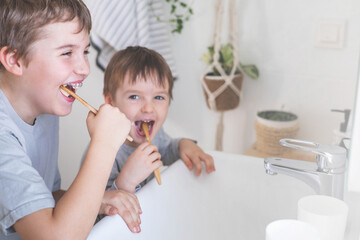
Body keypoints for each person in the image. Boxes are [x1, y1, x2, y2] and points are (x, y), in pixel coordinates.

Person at [0, 1, 142, 239]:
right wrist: (104, 145)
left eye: (85, 51)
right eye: (67, 53)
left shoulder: (44, 110)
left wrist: (98, 199)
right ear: (15, 60)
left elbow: (46, 201)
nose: (84, 68)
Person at [102, 46, 216, 193]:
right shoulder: (102, 152)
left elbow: (166, 150)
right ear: (111, 102)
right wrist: (127, 181)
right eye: (134, 97)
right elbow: (96, 214)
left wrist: (183, 145)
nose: (148, 108)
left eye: (158, 97)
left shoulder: (156, 134)